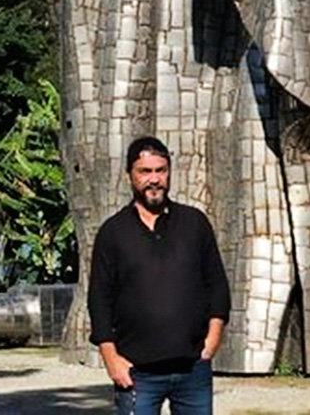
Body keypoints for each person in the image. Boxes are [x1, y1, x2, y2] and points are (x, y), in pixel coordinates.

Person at [88, 137, 230, 414]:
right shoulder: (113, 233)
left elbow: (216, 285)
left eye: (160, 170)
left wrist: (212, 341)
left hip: (193, 368)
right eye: (145, 171)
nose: (154, 179)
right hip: (137, 373)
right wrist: (111, 358)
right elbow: (99, 301)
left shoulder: (194, 223)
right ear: (130, 175)